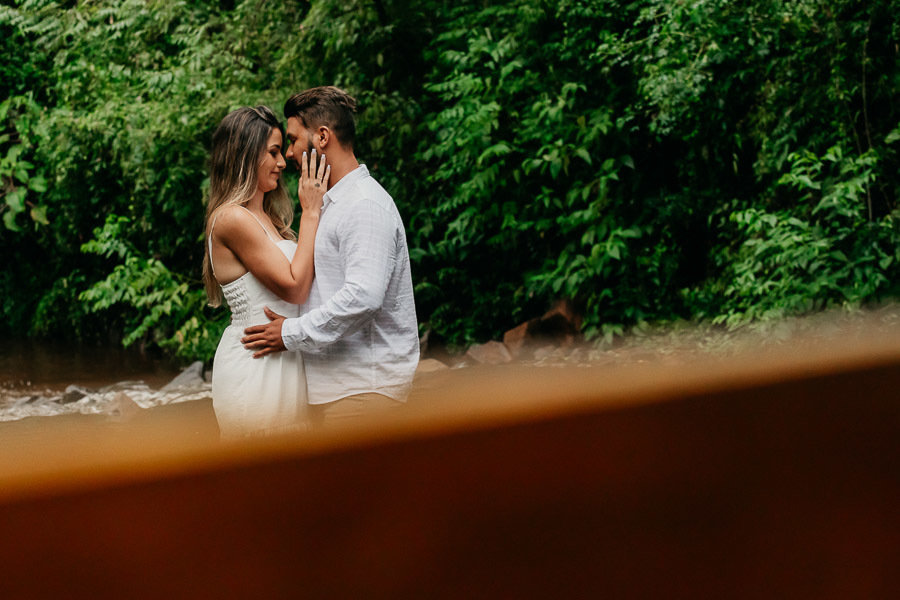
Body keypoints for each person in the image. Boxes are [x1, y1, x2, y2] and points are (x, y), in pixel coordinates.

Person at [241, 86, 419, 426]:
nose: (290, 153)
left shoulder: (364, 205)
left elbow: (363, 296)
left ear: (322, 137)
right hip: (338, 392)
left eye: (293, 140)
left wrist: (289, 333)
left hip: (363, 392)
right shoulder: (329, 204)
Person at [202, 105, 329, 439]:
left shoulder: (269, 221)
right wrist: (311, 212)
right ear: (245, 155)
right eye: (273, 152)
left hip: (284, 356)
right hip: (255, 362)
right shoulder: (231, 218)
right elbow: (294, 287)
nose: (283, 162)